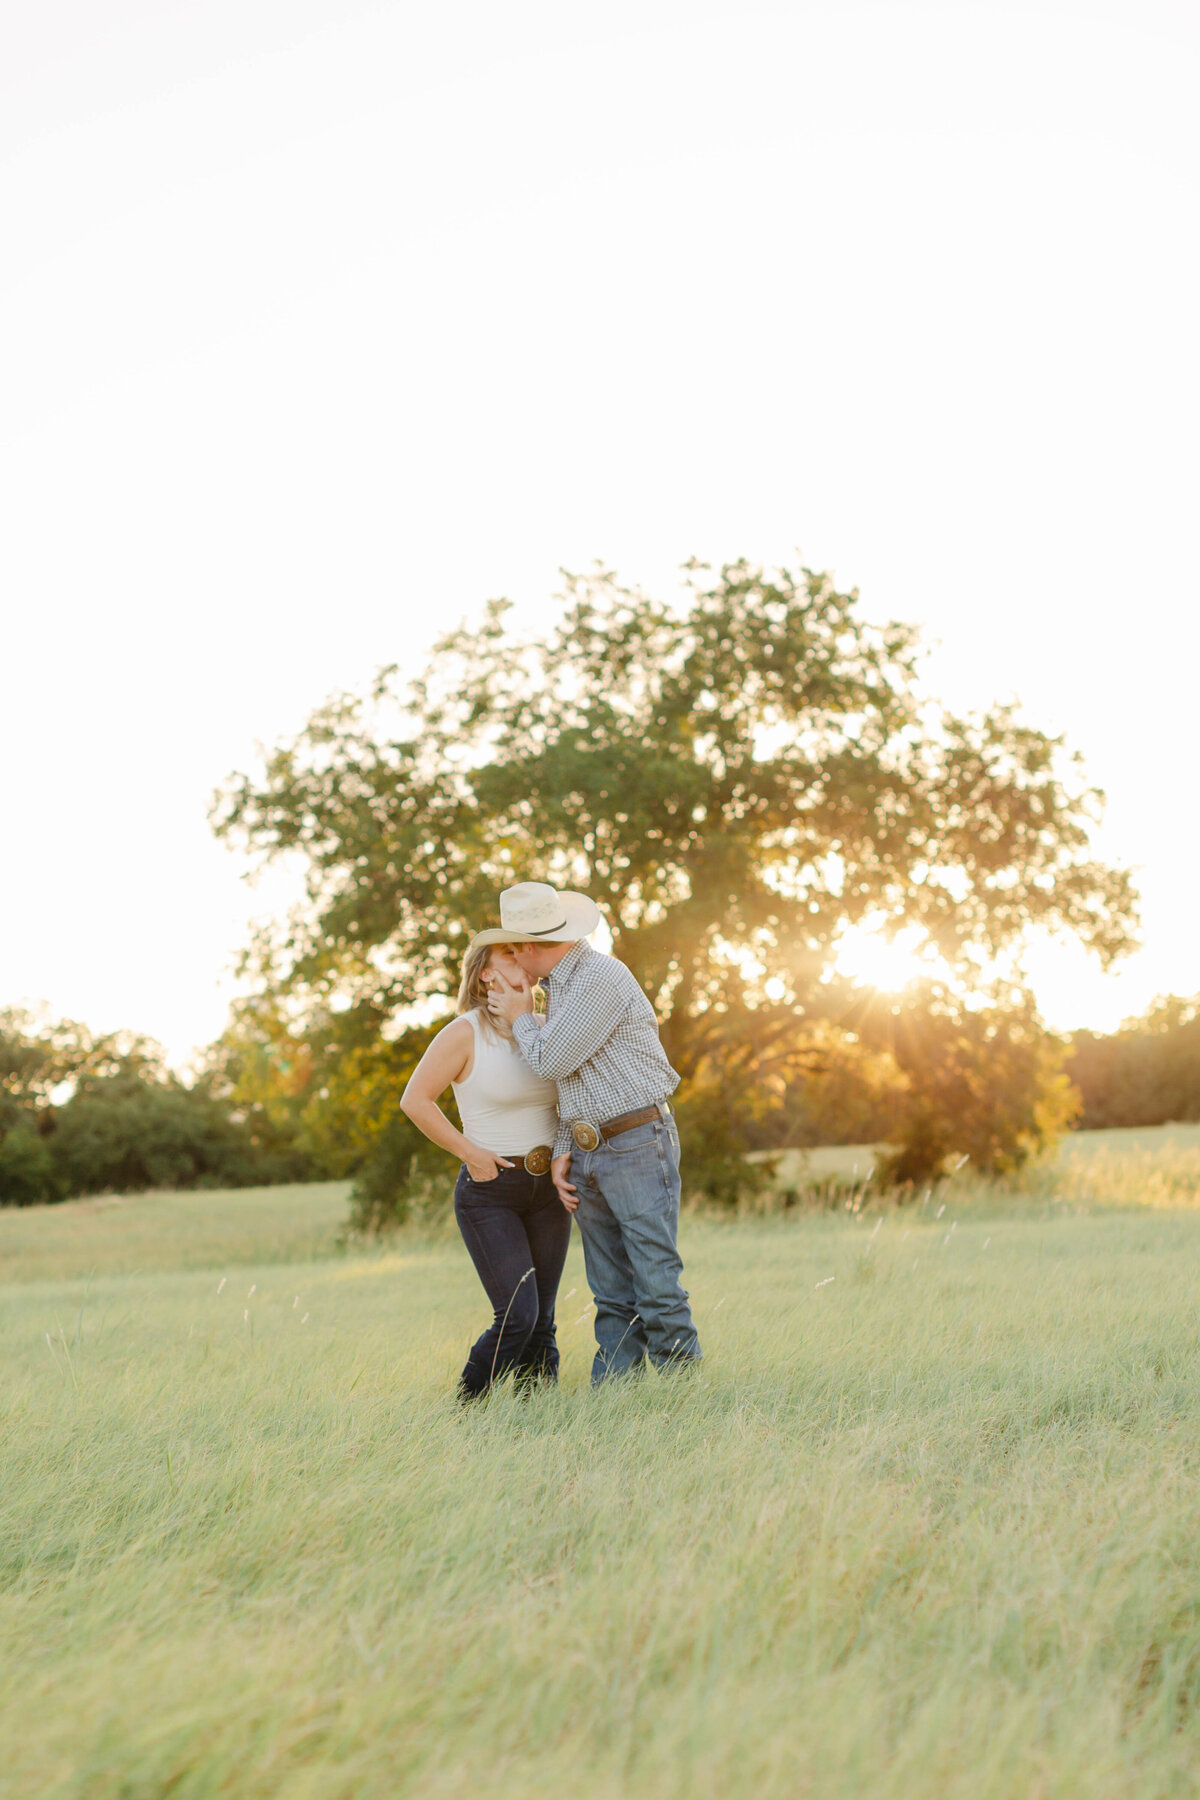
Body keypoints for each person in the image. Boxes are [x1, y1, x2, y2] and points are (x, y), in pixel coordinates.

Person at [478, 880, 702, 1384]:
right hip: (590, 1149)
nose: (514, 963)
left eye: (514, 950)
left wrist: (520, 1018)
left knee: (655, 1280)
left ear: (530, 947)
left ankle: (684, 1391)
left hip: (637, 1142)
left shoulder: (599, 977)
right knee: (609, 1289)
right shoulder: (561, 988)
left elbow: (552, 1060)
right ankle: (615, 1400)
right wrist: (564, 1147)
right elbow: (577, 1079)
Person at [400, 938, 571, 1400]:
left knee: (543, 1320)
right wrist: (469, 1153)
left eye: (525, 954)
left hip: (550, 1190)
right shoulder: (464, 1032)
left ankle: (540, 1421)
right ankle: (465, 1409)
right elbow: (415, 1101)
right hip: (491, 1190)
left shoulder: (545, 1027)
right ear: (484, 975)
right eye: (509, 955)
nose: (523, 961)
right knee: (518, 1315)